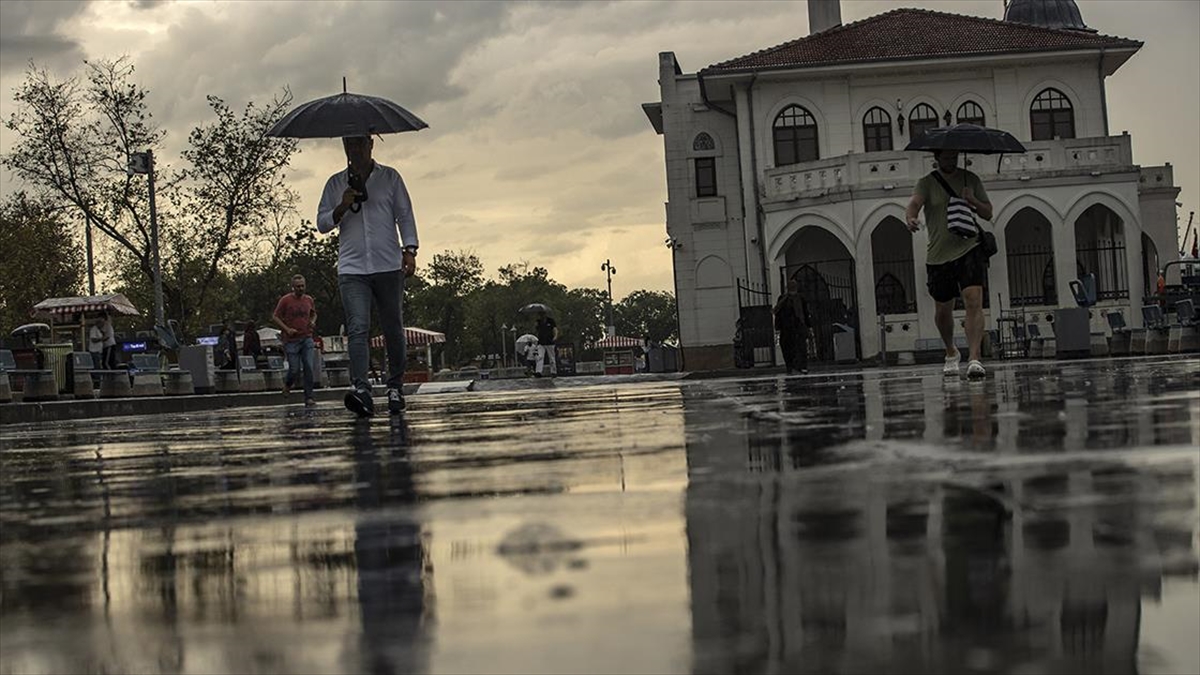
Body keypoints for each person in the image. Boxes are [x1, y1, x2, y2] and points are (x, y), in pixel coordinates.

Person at [317, 134, 419, 416]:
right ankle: (362, 389)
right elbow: (322, 223)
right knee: (357, 328)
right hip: (352, 268)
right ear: (344, 147)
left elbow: (405, 215)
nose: (355, 149)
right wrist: (342, 206)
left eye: (360, 143)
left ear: (371, 144)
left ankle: (395, 386)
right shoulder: (335, 183)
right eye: (349, 144)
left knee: (393, 328)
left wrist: (409, 250)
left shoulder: (390, 178)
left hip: (387, 264)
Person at [906, 148, 993, 380]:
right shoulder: (927, 182)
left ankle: (974, 358)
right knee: (943, 310)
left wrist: (972, 200)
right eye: (946, 158)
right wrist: (910, 218)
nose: (951, 161)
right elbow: (915, 203)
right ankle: (950, 350)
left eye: (953, 157)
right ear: (937, 159)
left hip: (969, 248)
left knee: (974, 300)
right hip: (938, 255)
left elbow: (988, 213)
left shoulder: (970, 179)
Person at [272, 274, 318, 407]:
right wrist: (286, 329)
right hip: (291, 340)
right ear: (293, 287)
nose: (300, 288)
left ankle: (309, 397)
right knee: (294, 369)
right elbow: (275, 316)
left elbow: (314, 313)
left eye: (302, 286)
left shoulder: (308, 299)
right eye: (298, 286)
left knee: (309, 366)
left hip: (306, 337)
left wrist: (313, 321)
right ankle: (287, 384)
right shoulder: (285, 300)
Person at [773, 277, 813, 375]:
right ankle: (799, 366)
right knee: (800, 348)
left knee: (789, 348)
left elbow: (778, 314)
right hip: (797, 328)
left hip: (787, 329)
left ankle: (791, 366)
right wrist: (808, 326)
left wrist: (778, 327)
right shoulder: (799, 299)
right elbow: (805, 314)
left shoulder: (783, 299)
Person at [533, 311, 558, 377]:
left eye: (543, 314)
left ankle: (553, 372)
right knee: (540, 357)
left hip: (550, 342)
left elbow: (555, 329)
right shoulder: (538, 322)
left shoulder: (551, 321)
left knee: (552, 358)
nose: (542, 316)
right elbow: (536, 331)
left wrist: (555, 336)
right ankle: (538, 372)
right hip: (541, 342)